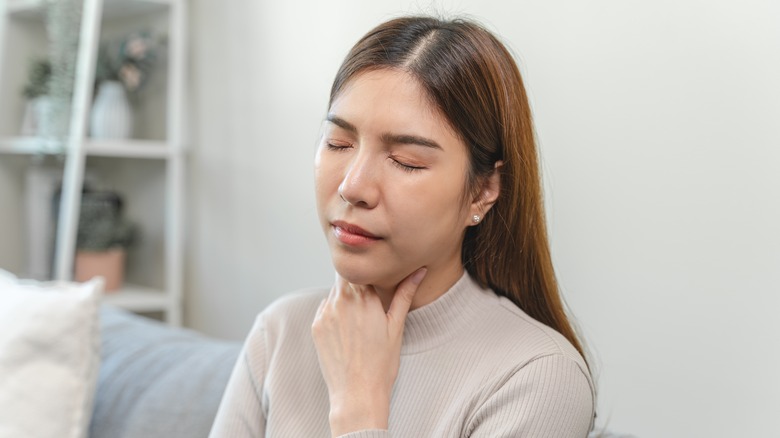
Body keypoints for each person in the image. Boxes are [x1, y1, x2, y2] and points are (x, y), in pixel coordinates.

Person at [210, 15, 595, 438]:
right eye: (338, 143)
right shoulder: (281, 331)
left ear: (483, 191)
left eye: (406, 160)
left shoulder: (537, 377)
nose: (352, 186)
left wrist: (358, 408)